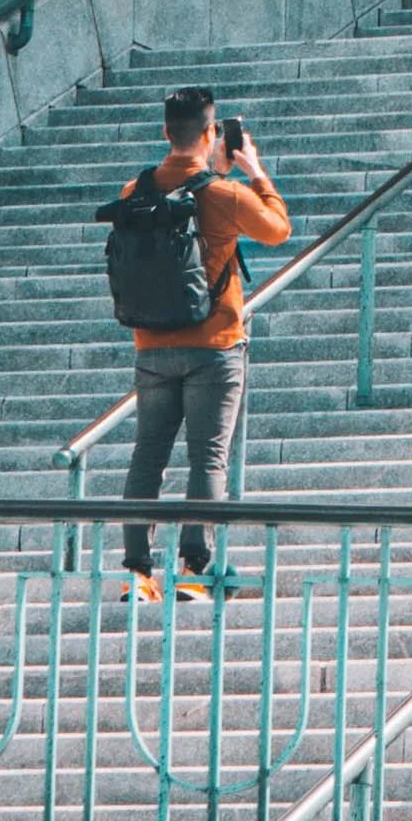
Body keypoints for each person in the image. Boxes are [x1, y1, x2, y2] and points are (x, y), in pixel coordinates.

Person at [119, 87, 290, 606]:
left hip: (151, 344)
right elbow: (278, 229)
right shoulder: (224, 194)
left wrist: (210, 167)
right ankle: (193, 573)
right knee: (207, 461)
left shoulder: (135, 189)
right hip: (214, 345)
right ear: (212, 132)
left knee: (146, 459)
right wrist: (253, 170)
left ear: (166, 131)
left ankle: (138, 576)